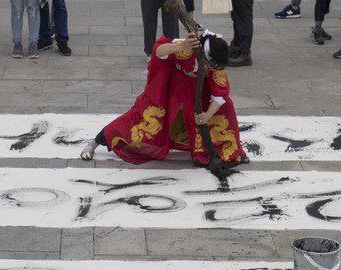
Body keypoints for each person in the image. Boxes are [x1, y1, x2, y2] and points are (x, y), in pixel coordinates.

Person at [79, 33, 247, 180]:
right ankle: (95, 142)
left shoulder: (215, 66)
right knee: (141, 117)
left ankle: (233, 150)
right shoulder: (186, 49)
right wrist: (183, 45)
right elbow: (159, 51)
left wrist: (208, 115)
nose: (212, 68)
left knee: (225, 111)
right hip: (171, 88)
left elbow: (219, 95)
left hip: (199, 92)